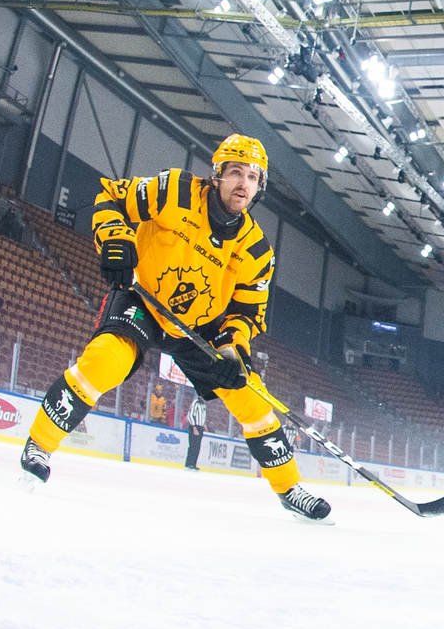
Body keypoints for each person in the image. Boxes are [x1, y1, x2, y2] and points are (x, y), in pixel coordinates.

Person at [17, 134, 330, 521]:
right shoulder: (173, 191)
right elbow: (112, 197)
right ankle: (39, 446)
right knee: (105, 362)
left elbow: (246, 314)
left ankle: (289, 488)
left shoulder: (257, 251)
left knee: (254, 401)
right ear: (217, 175)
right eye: (235, 172)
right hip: (143, 300)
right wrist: (115, 239)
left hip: (201, 326)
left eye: (252, 177)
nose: (243, 184)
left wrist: (234, 350)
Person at [184, 394, 208, 470]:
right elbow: (190, 415)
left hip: (200, 427)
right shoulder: (196, 403)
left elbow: (202, 415)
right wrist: (194, 427)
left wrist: (204, 424)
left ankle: (193, 464)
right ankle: (189, 464)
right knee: (193, 446)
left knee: (197, 447)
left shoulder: (203, 404)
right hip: (195, 426)